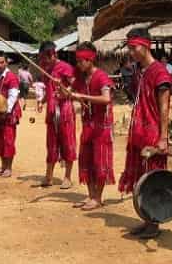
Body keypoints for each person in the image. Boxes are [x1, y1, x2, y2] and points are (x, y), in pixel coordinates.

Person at [119, 28, 172, 239]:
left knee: (152, 179)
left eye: (134, 48)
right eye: (129, 48)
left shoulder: (159, 72)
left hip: (152, 134)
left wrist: (163, 137)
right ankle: (147, 219)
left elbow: (165, 107)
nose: (131, 52)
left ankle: (154, 223)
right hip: (139, 133)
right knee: (140, 179)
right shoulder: (140, 71)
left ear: (146, 45)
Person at [68, 42, 115, 211]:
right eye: (77, 61)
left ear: (90, 60)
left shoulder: (101, 76)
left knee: (99, 160)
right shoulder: (80, 78)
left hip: (102, 126)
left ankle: (98, 197)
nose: (78, 64)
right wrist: (64, 93)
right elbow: (72, 94)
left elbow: (106, 99)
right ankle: (90, 196)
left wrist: (82, 96)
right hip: (88, 125)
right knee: (86, 159)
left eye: (81, 61)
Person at [37, 42, 77, 189]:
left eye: (47, 57)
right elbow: (48, 91)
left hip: (65, 110)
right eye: (43, 58)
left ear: (54, 54)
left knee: (67, 143)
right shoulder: (46, 69)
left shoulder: (66, 67)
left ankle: (67, 177)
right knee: (51, 144)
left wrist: (64, 89)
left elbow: (75, 85)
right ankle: (49, 176)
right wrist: (42, 101)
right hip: (52, 111)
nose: (44, 61)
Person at [0, 51, 21, 177]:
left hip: (9, 113)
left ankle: (9, 168)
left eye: (2, 62)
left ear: (6, 62)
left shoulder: (11, 77)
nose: (0, 65)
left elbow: (13, 97)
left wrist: (5, 111)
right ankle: (3, 167)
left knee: (8, 139)